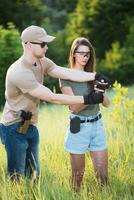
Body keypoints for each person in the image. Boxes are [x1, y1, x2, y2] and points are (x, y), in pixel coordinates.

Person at [0, 25, 110, 182]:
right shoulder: (19, 72)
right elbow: (52, 97)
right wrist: (87, 99)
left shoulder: (41, 61)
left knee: (33, 177)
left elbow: (65, 72)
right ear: (29, 45)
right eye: (43, 44)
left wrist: (96, 75)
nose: (46, 47)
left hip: (29, 124)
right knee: (16, 178)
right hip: (13, 127)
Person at [60, 37, 110, 192]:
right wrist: (90, 98)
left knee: (103, 177)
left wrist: (101, 91)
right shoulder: (65, 77)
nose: (84, 57)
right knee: (77, 176)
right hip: (78, 126)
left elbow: (107, 104)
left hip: (97, 125)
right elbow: (73, 107)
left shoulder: (92, 76)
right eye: (81, 53)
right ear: (73, 54)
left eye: (87, 54)